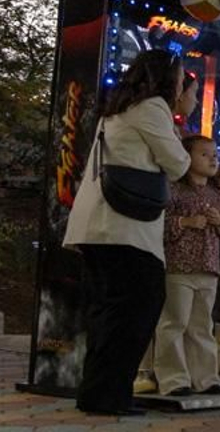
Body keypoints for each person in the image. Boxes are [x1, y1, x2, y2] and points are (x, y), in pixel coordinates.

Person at [63, 49, 195, 416]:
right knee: (136, 310)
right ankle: (109, 397)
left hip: (98, 225)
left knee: (109, 313)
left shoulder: (120, 107)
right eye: (182, 79)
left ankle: (100, 394)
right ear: (166, 79)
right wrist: (180, 122)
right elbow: (179, 164)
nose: (184, 85)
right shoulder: (152, 107)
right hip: (123, 228)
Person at [152, 135, 220, 396]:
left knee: (202, 325)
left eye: (215, 155)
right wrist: (186, 222)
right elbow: (158, 223)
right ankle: (173, 379)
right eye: (204, 154)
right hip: (178, 265)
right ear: (186, 158)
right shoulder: (174, 190)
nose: (213, 159)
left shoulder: (218, 195)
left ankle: (205, 379)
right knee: (174, 322)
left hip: (208, 266)